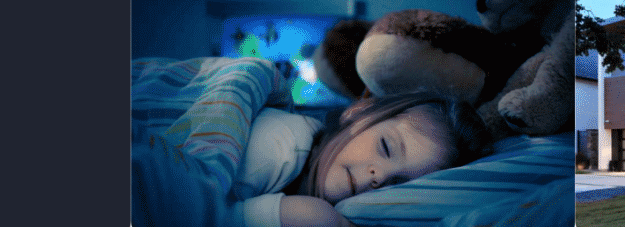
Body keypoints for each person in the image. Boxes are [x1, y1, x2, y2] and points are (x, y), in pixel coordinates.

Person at [135, 90, 492, 227]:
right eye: (385, 147)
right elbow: (178, 208)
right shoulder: (279, 143)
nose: (378, 176)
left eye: (401, 184)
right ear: (360, 112)